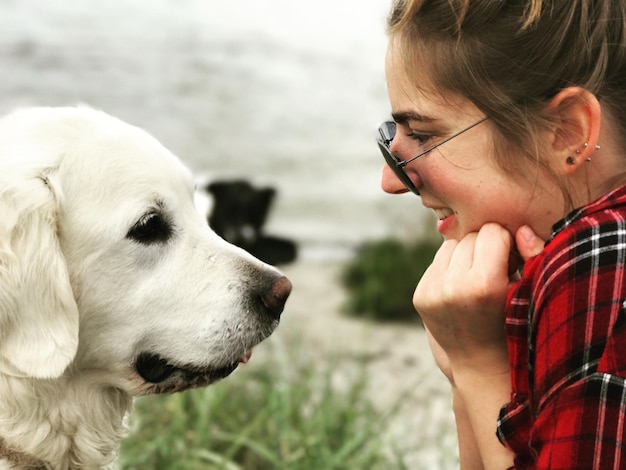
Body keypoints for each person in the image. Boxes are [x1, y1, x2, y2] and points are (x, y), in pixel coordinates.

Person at [377, 0, 626, 468]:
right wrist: (465, 372)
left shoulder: (599, 258)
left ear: (567, 133)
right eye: (393, 135)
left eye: (424, 136)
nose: (391, 180)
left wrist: (478, 364)